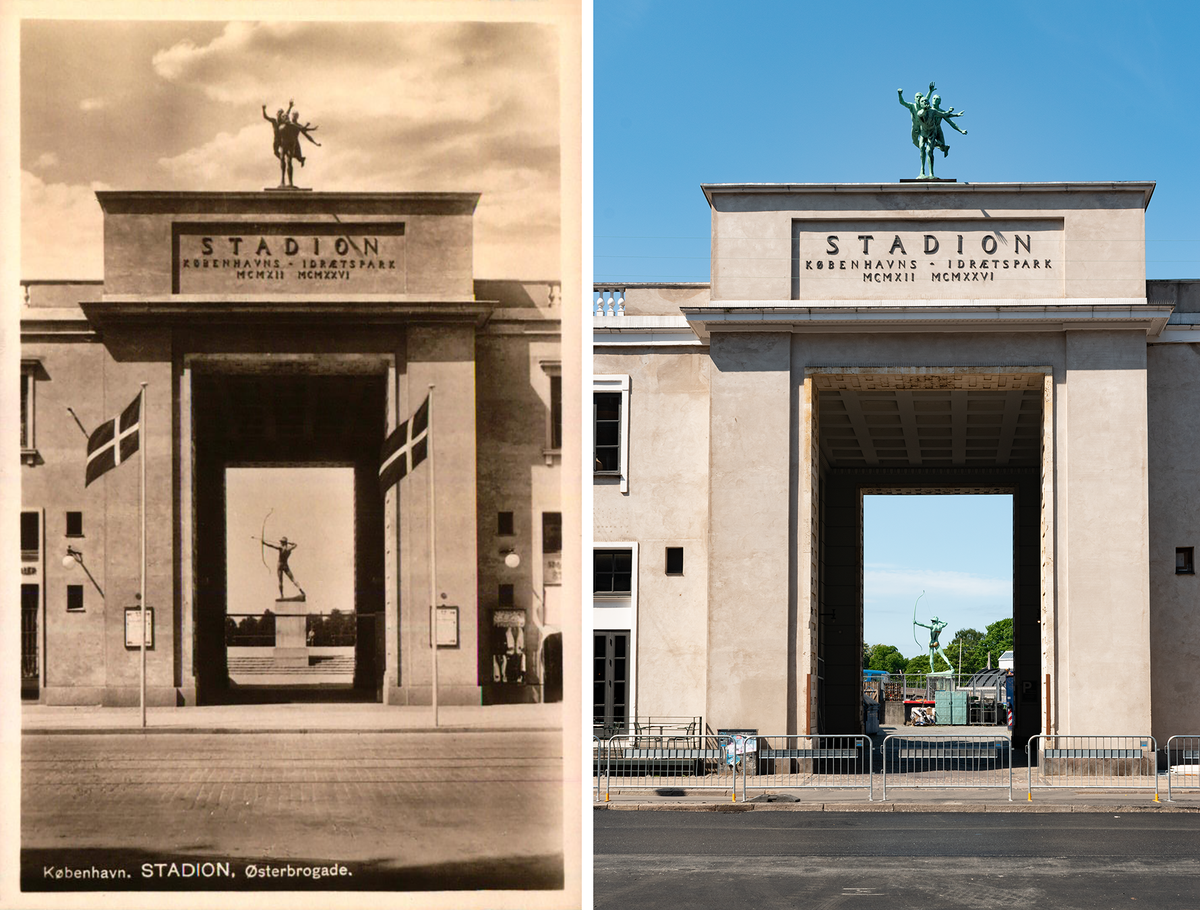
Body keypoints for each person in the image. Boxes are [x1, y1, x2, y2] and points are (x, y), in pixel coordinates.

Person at [263, 535, 305, 599]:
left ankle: (282, 595)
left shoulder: (281, 548)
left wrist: (264, 543)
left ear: (283, 543)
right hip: (285, 565)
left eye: (281, 542)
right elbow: (295, 545)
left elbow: (272, 546)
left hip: (280, 565)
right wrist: (290, 543)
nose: (280, 543)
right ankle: (300, 590)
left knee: (280, 580)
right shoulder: (289, 548)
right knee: (293, 579)